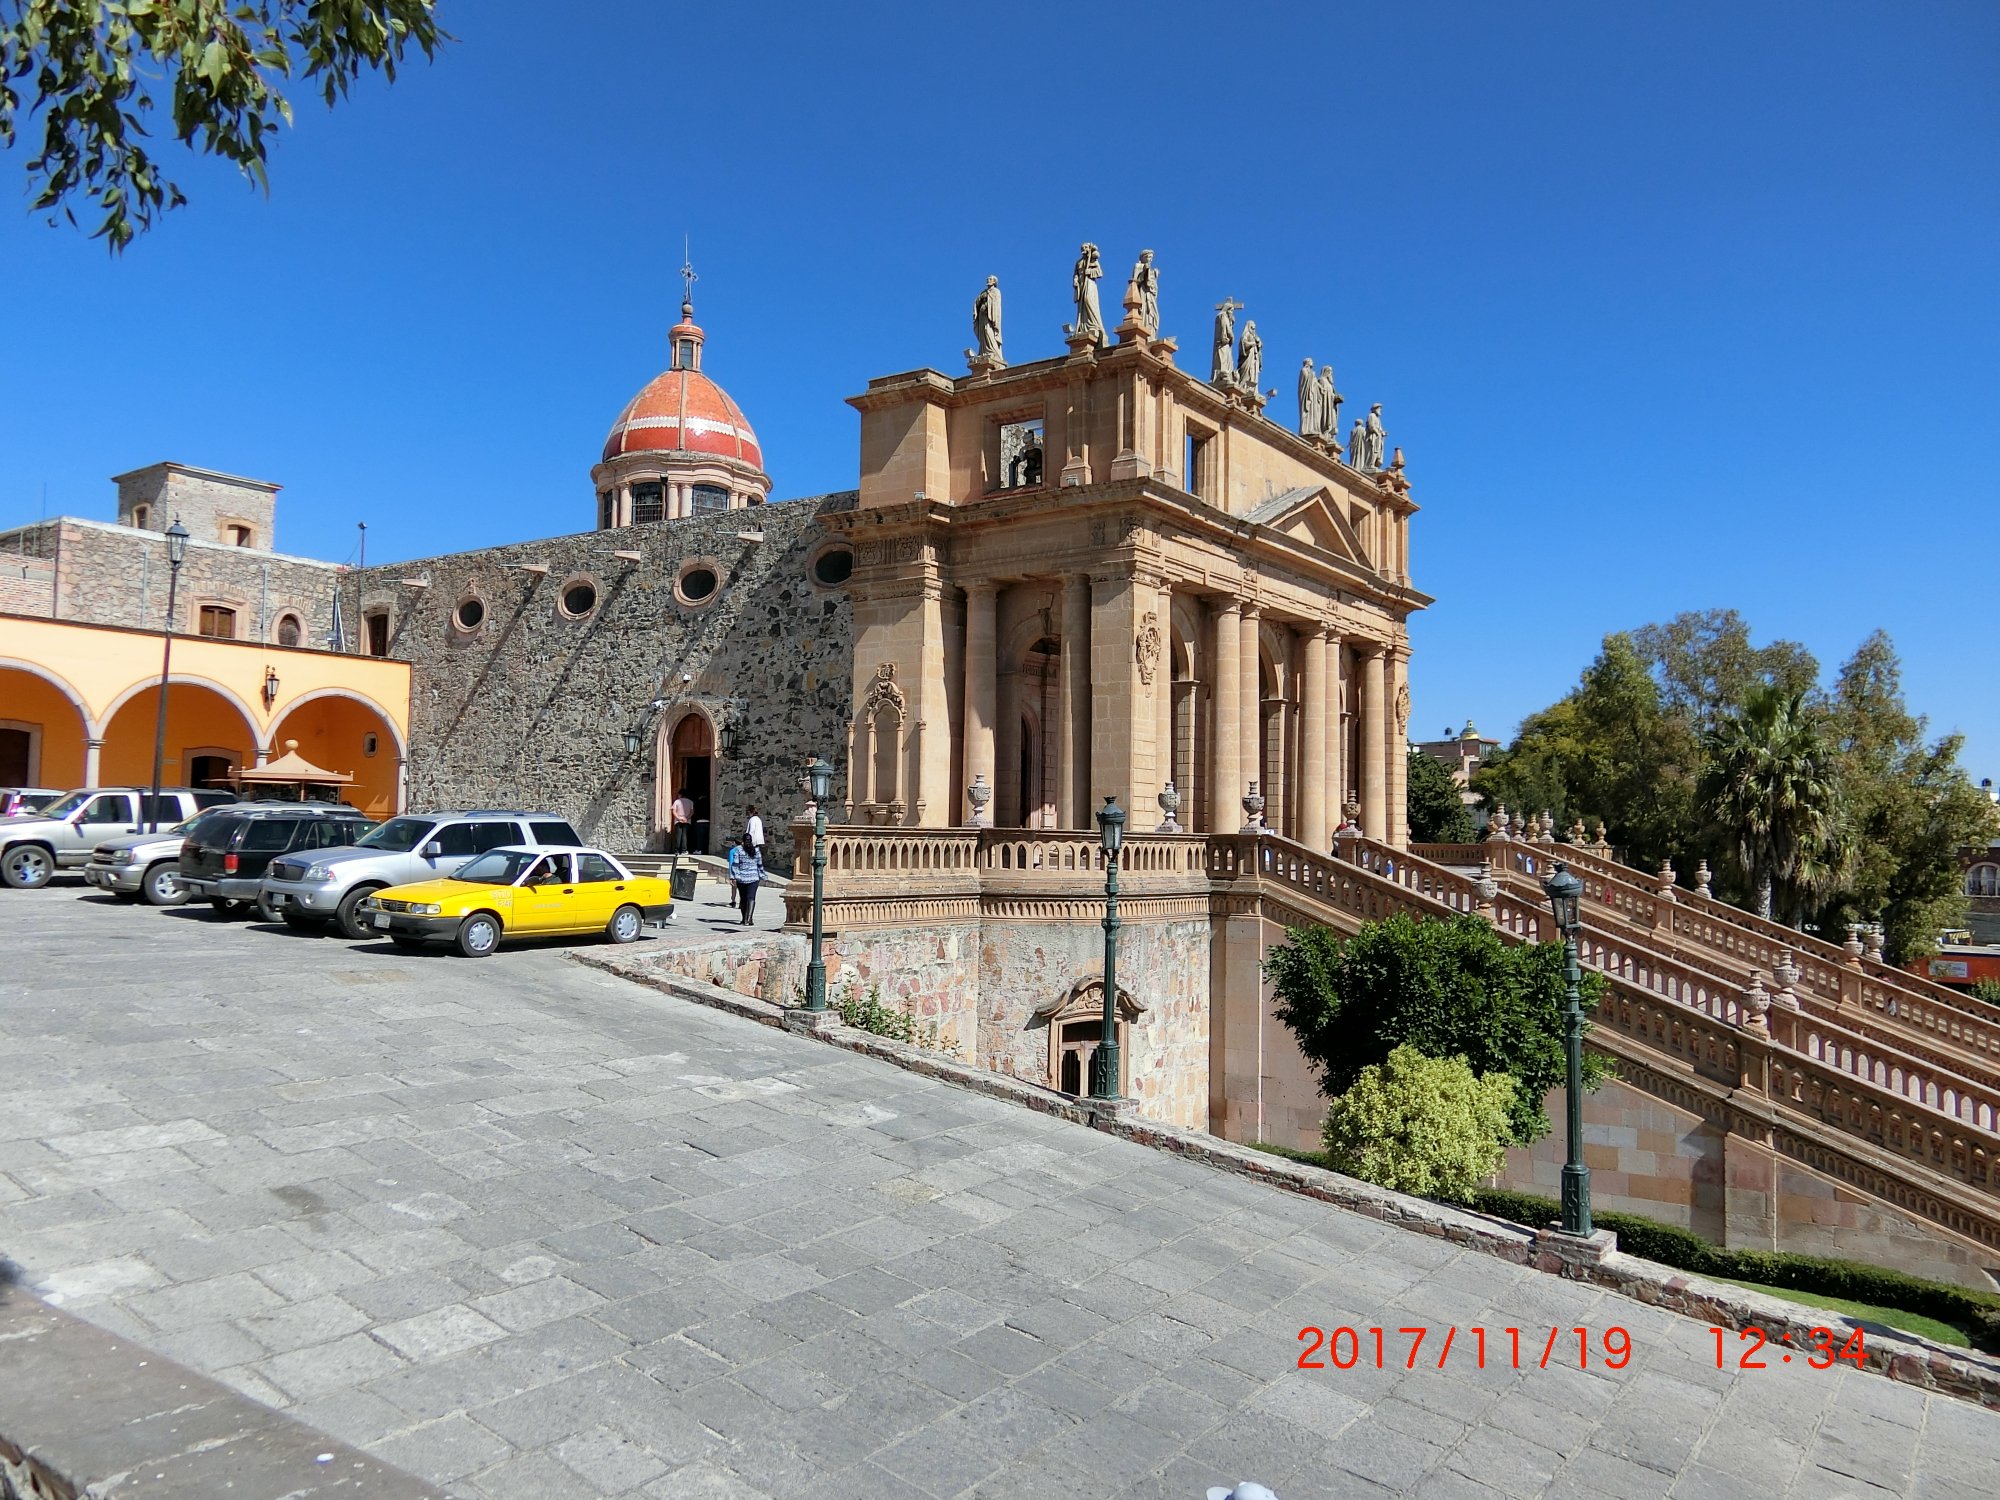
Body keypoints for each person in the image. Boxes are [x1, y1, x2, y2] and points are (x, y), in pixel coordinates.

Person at [727, 835, 763, 927]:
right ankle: (749, 918)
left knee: (743, 898)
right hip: (754, 878)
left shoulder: (738, 850)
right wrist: (761, 875)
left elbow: (735, 864)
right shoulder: (756, 850)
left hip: (741, 878)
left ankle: (744, 919)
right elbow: (759, 864)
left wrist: (733, 877)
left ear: (742, 840)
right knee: (751, 897)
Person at [669, 786, 694, 853]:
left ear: (680, 794)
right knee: (684, 835)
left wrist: (678, 818)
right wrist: (686, 818)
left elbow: (673, 811)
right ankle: (684, 850)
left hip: (678, 820)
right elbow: (692, 812)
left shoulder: (677, 801)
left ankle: (677, 850)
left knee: (678, 835)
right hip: (686, 821)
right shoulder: (690, 802)